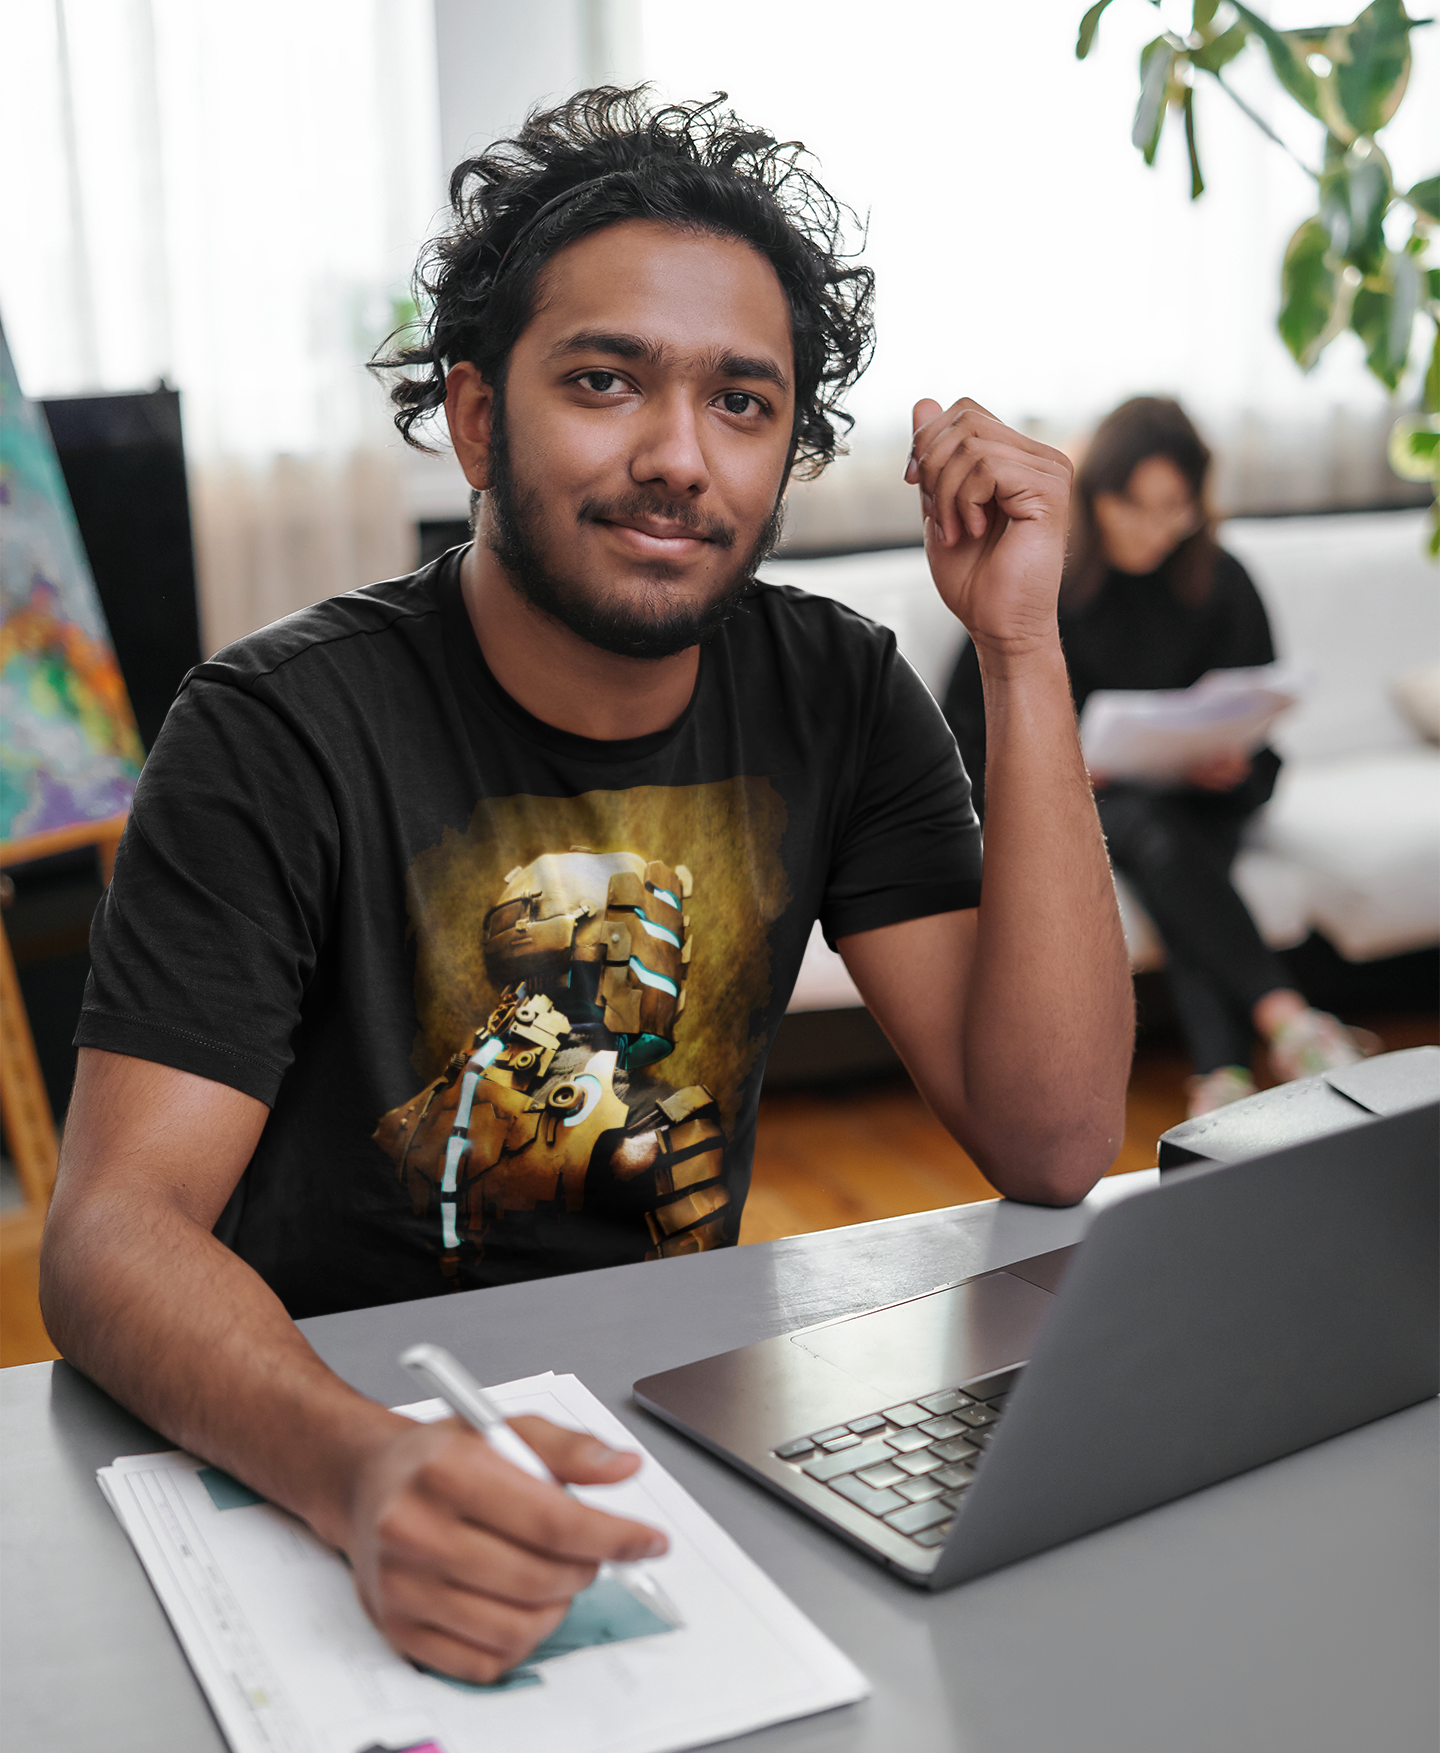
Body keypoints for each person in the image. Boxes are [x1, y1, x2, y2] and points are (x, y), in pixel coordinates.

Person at [40, 88, 1132, 1686]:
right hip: (315, 1422)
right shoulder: (277, 728)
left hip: (669, 1425)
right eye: (606, 381)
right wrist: (355, 1464)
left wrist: (1022, 644)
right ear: (478, 418)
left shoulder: (838, 690)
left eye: (742, 402)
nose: (678, 458)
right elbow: (111, 1233)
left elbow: (1051, 1140)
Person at [943, 394, 1368, 1120]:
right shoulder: (1046, 578)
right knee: (1150, 826)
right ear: (1095, 496)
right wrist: (1062, 770)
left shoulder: (1221, 580)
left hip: (1199, 804)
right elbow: (963, 730)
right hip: (1089, 807)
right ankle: (1286, 1020)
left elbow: (1259, 736)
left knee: (1173, 841)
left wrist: (1229, 764)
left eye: (1174, 509)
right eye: (1131, 506)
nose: (1153, 529)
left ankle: (1223, 1078)